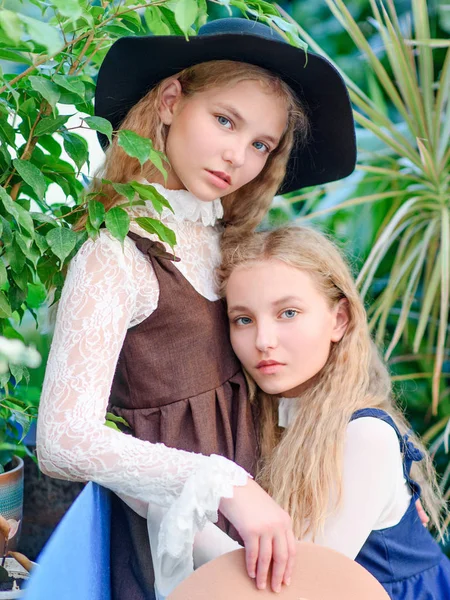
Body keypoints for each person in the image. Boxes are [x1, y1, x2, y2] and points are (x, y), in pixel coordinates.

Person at [36, 18, 356, 600]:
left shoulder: (223, 238)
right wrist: (225, 487)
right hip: (178, 542)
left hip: (259, 526)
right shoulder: (115, 254)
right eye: (225, 120)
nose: (238, 156)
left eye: (261, 144)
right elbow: (62, 440)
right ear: (169, 101)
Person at [217, 225, 450, 599]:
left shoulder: (364, 435)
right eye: (243, 319)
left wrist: (197, 493)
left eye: (288, 313)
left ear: (339, 320)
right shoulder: (269, 419)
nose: (263, 341)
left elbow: (296, 588)